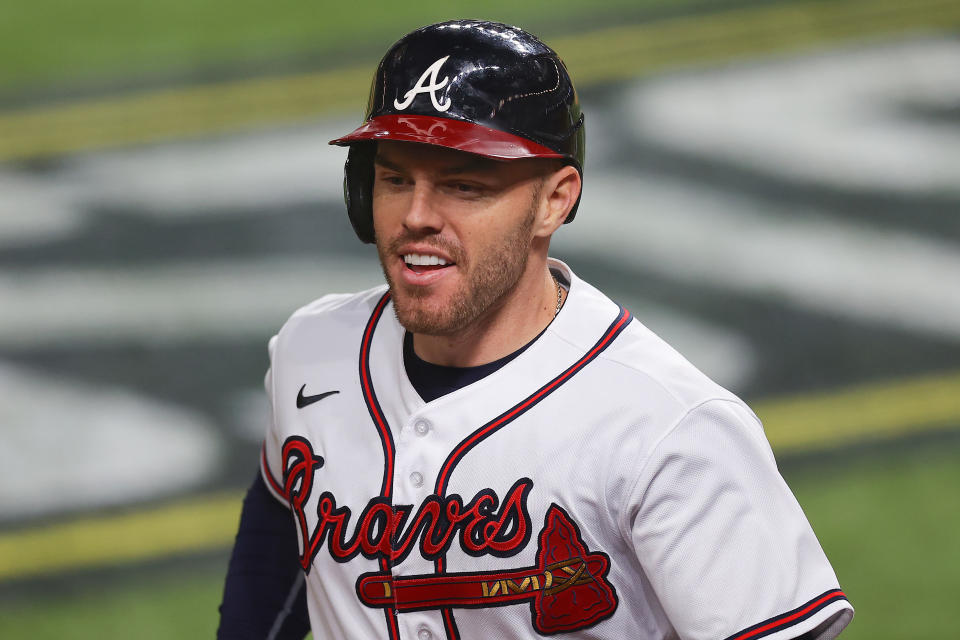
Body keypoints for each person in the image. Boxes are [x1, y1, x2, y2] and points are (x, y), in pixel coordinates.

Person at [218, 19, 853, 640]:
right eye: (394, 179)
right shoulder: (312, 351)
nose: (415, 216)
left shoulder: (669, 429)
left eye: (463, 186)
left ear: (554, 200)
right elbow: (281, 542)